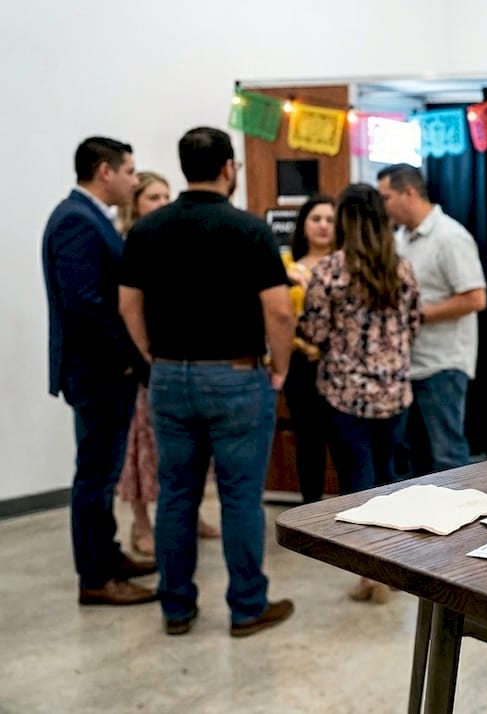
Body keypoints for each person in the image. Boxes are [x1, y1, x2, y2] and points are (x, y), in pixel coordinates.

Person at [119, 127, 295, 638]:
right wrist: (280, 367)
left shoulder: (147, 230)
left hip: (168, 376)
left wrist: (152, 355)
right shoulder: (249, 229)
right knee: (240, 496)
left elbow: (128, 304)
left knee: (176, 494)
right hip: (236, 375)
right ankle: (247, 608)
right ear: (228, 168)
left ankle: (176, 608)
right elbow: (279, 311)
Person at [41, 136, 156, 606]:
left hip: (101, 371)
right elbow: (86, 305)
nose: (134, 179)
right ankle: (95, 576)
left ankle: (107, 556)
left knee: (103, 472)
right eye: (129, 171)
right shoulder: (76, 220)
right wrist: (130, 356)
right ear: (105, 172)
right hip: (98, 372)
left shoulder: (88, 216)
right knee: (94, 475)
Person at [299, 183, 421, 604]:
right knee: (388, 479)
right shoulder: (401, 269)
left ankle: (371, 574)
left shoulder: (330, 271)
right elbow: (414, 325)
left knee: (357, 484)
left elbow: (314, 331)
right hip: (394, 392)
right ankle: (390, 565)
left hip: (345, 394)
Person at [115, 171, 219, 556]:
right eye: (152, 197)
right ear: (135, 205)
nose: (161, 204)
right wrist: (143, 355)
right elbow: (126, 307)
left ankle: (192, 514)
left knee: (187, 451)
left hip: (178, 361)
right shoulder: (130, 242)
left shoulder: (175, 236)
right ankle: (142, 523)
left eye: (165, 196)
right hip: (144, 364)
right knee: (142, 449)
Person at [376, 164, 486, 473]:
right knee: (416, 459)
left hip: (443, 365)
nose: (382, 206)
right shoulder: (399, 239)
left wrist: (415, 315)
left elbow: (475, 298)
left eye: (386, 198)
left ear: (409, 193)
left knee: (447, 456)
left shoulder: (450, 237)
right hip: (408, 364)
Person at [280, 194, 338, 504]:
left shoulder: (348, 265)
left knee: (344, 441)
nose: (323, 226)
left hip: (340, 366)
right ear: (303, 225)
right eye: (316, 219)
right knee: (308, 441)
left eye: (330, 220)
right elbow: (275, 316)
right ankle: (310, 509)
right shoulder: (286, 266)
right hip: (300, 364)